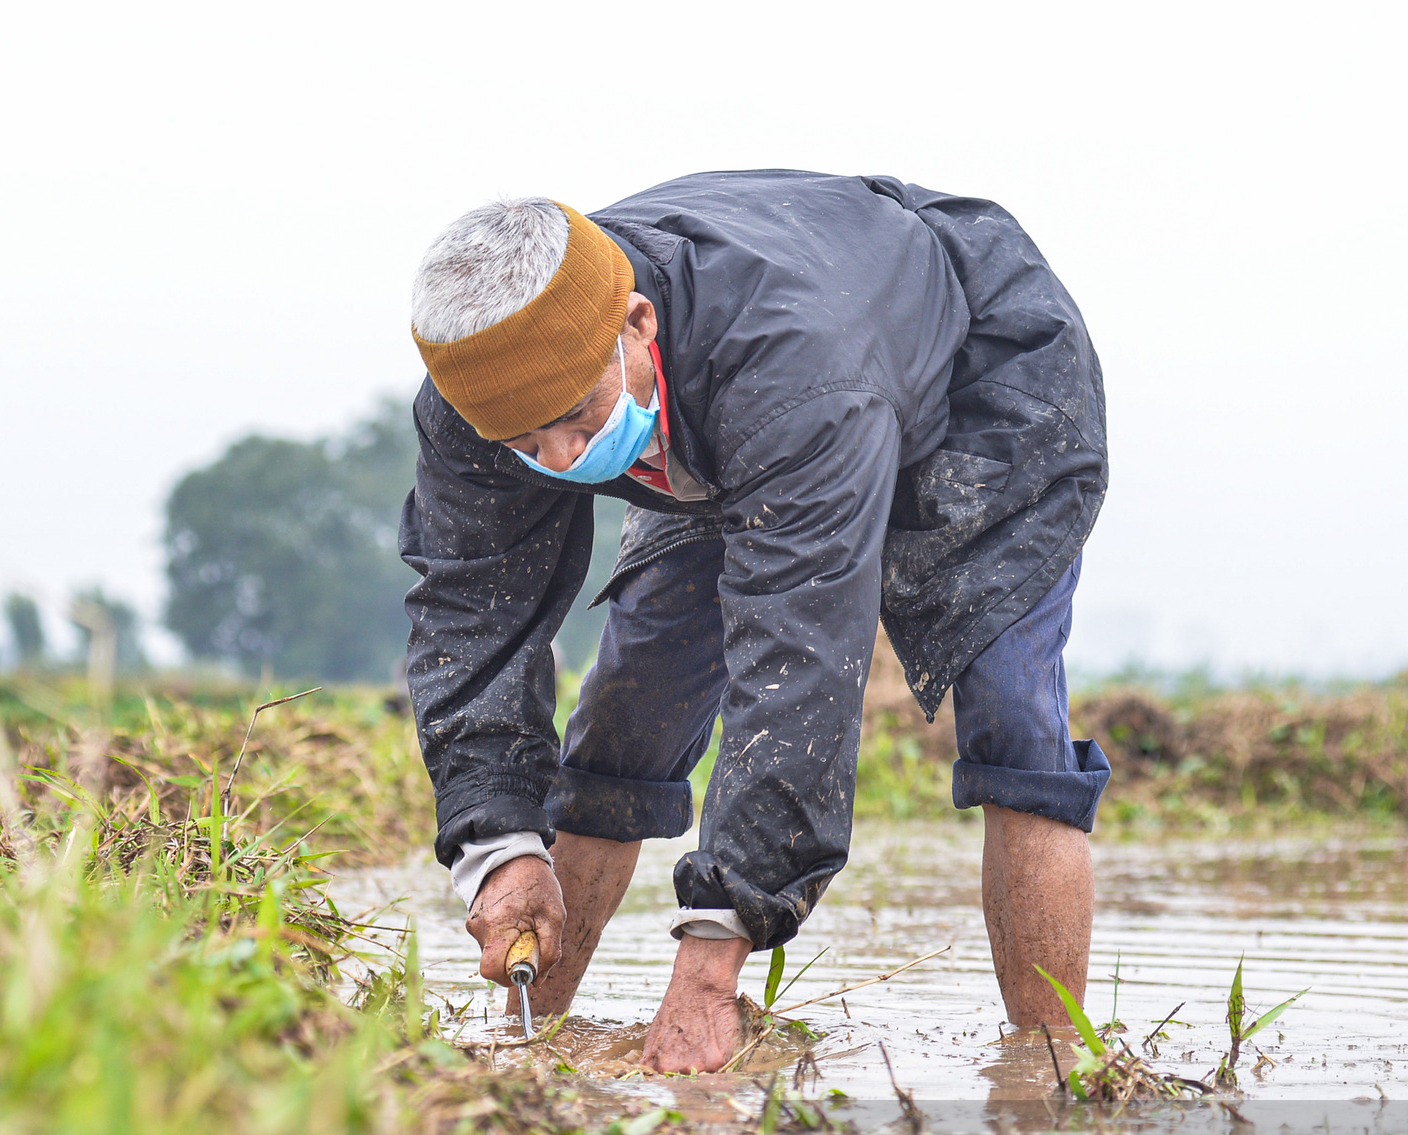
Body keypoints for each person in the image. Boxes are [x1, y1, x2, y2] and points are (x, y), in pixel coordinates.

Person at [398, 173, 1110, 1073]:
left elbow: (800, 663)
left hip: (977, 372)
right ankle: (522, 1040)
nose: (565, 462)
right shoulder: (479, 405)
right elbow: (471, 621)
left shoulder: (790, 377)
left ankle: (1048, 1073)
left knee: (1015, 717)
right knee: (634, 703)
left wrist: (712, 959)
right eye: (527, 444)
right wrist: (499, 843)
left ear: (639, 325)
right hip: (729, 410)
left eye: (577, 420)